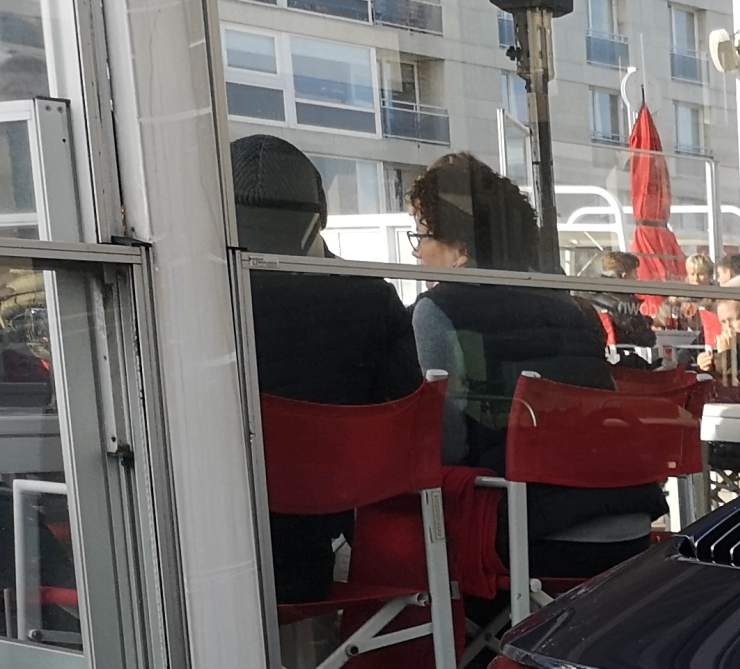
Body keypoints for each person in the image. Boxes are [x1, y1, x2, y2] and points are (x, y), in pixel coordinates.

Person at [405, 152, 660, 579]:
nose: (416, 252)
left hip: (538, 537)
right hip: (630, 520)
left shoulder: (439, 311)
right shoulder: (567, 303)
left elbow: (445, 447)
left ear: (461, 251)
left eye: (422, 236)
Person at [232, 135, 424, 603]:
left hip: (213, 554)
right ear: (318, 219)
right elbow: (408, 424)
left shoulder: (203, 299)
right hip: (334, 539)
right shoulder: (371, 298)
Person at [590, 248, 656, 359]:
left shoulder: (591, 299)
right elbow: (647, 339)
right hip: (621, 362)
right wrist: (647, 322)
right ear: (625, 277)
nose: (637, 278)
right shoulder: (627, 304)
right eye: (635, 273)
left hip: (599, 357)